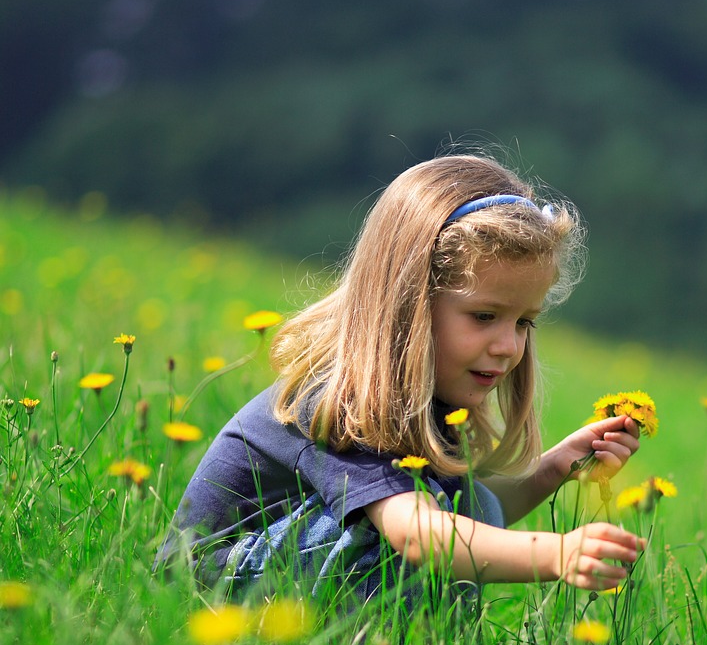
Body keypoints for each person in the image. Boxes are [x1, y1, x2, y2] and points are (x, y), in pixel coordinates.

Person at [160, 154, 644, 606]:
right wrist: (557, 555)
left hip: (280, 570)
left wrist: (554, 467)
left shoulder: (429, 398)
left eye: (523, 322)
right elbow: (416, 536)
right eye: (484, 315)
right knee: (400, 543)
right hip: (204, 589)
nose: (508, 346)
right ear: (408, 303)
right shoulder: (345, 400)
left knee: (461, 505)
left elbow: (477, 515)